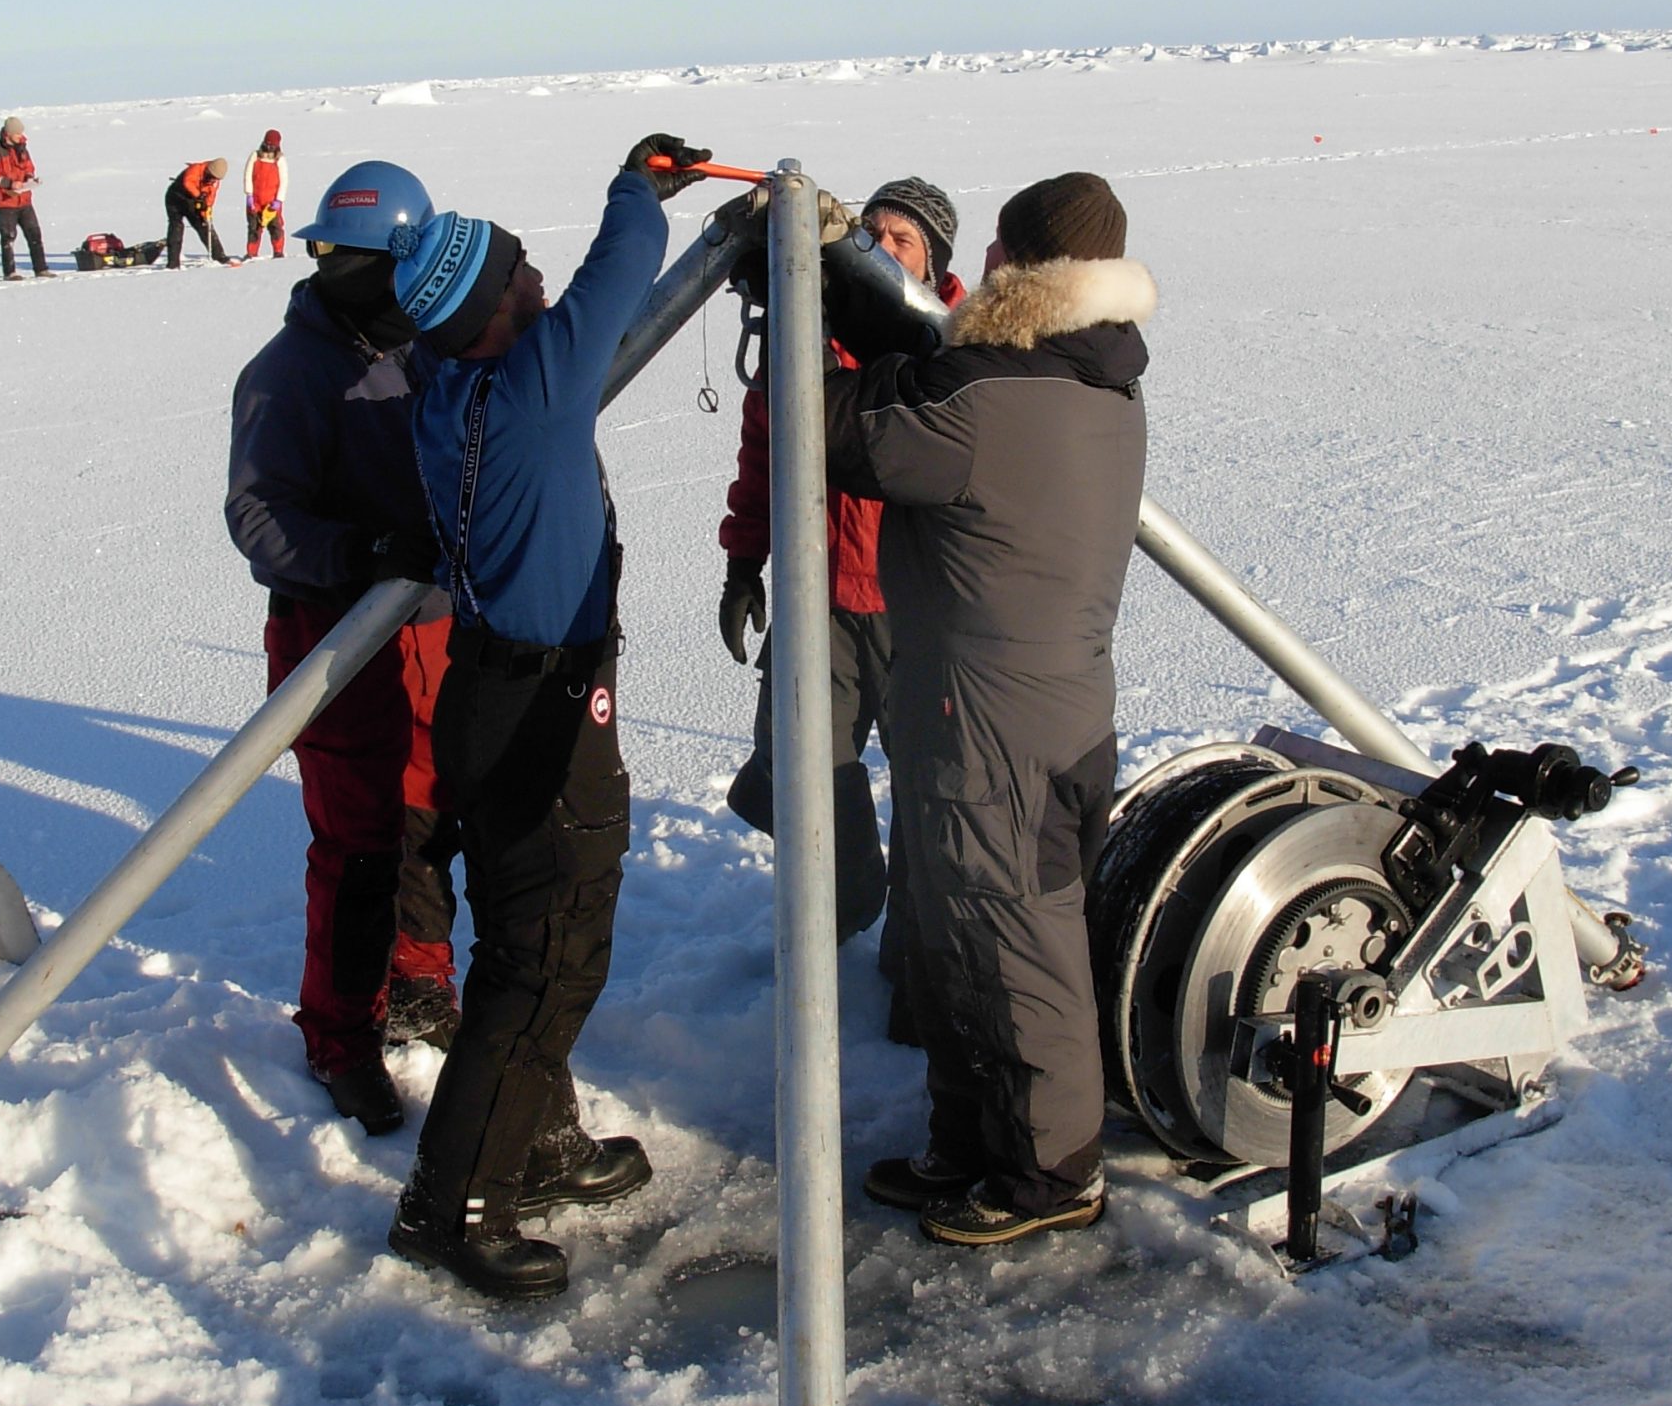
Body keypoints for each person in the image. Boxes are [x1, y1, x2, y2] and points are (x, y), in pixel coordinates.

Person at [379, 130, 709, 1300]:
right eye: (516, 271)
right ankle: (451, 1208)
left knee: (540, 951)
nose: (535, 279)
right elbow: (614, 278)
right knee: (538, 964)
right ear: (484, 311)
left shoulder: (450, 388)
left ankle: (535, 1146)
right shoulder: (526, 393)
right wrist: (639, 185)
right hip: (536, 715)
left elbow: (559, 302)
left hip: (497, 694)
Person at [823, 172, 1154, 1247]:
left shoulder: (990, 406)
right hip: (1035, 710)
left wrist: (803, 303)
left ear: (1014, 265)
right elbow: (935, 375)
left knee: (1014, 941)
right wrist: (859, 289)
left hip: (995, 729)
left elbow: (851, 430)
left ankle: (1053, 1170)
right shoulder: (1088, 378)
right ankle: (973, 1145)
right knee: (970, 937)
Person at [226, 160, 465, 1135]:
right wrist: (357, 554)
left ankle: (419, 981)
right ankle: (340, 1035)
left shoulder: (431, 351)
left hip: (435, 630)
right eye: (337, 257)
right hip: (336, 636)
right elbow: (256, 514)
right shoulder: (289, 373)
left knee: (431, 822)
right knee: (360, 846)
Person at [718, 179, 964, 1035]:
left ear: (934, 262)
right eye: (873, 232)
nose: (882, 246)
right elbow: (764, 449)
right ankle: (840, 905)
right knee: (799, 769)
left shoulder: (955, 347)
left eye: (902, 240)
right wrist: (744, 559)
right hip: (819, 597)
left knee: (938, 798)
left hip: (920, 606)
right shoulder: (809, 324)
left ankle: (920, 965)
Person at [0, 116, 51, 279]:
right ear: (9, 133)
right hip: (5, 200)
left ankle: (41, 269)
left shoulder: (22, 148)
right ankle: (9, 272)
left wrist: (29, 177)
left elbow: (28, 166)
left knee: (35, 234)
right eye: (18, 133)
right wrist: (10, 183)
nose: (21, 135)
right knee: (8, 237)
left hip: (24, 199)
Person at [166, 158, 235, 267]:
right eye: (211, 177)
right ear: (208, 170)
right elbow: (188, 182)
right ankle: (173, 263)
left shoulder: (214, 182)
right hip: (175, 200)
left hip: (193, 203)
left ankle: (220, 257)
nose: (212, 180)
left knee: (204, 226)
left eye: (215, 179)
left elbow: (211, 197)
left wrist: (206, 210)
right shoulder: (195, 169)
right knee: (176, 227)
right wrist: (199, 196)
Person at [244, 131, 290, 261]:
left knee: (275, 226)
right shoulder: (255, 156)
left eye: (272, 145)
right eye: (268, 144)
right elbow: (247, 176)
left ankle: (278, 251)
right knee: (254, 226)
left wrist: (279, 200)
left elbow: (284, 181)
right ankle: (251, 253)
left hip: (272, 201)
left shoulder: (280, 160)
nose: (269, 147)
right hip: (255, 200)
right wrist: (249, 195)